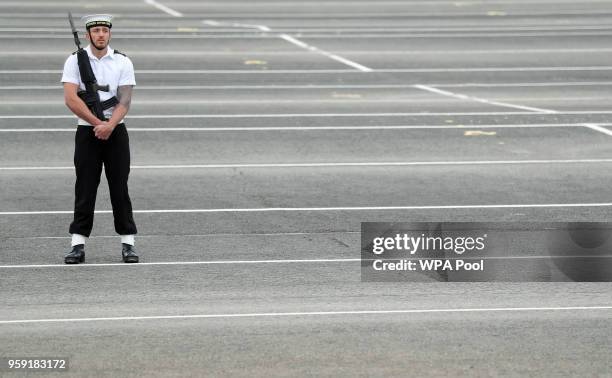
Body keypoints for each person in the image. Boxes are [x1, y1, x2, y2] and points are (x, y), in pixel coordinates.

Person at [61, 14, 138, 264]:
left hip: (117, 132)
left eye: (105, 30)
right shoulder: (74, 61)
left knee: (120, 188)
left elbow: (125, 100)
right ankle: (77, 244)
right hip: (87, 132)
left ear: (110, 34)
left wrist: (110, 125)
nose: (101, 35)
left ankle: (128, 243)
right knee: (84, 187)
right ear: (88, 35)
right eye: (96, 31)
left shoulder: (123, 61)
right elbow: (71, 98)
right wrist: (97, 124)